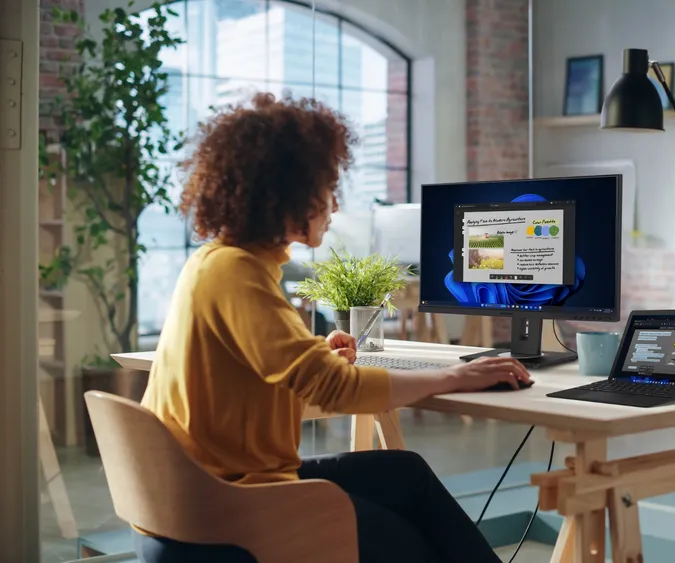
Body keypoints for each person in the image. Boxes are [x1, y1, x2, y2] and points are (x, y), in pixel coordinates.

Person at [134, 93, 531, 563]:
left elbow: (257, 372)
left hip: (211, 489)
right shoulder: (235, 272)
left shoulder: (219, 263)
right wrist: (454, 376)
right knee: (414, 544)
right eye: (325, 189)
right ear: (286, 197)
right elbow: (336, 389)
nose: (334, 204)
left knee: (406, 475)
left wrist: (316, 355)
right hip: (227, 505)